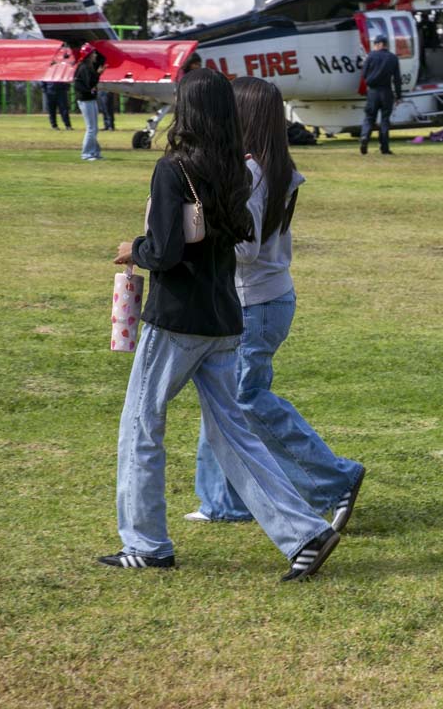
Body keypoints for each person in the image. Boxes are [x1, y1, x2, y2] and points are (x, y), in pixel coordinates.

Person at [105, 68, 340, 581]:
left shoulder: (174, 169)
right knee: (233, 435)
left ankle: (145, 543)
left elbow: (165, 252)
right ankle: (305, 532)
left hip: (178, 319)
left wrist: (134, 249)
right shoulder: (240, 169)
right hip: (226, 316)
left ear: (186, 109)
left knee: (141, 425)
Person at [186, 75, 366, 531]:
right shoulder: (273, 166)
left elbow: (245, 249)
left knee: (245, 399)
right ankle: (222, 501)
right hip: (265, 299)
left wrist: (195, 233)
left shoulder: (250, 173)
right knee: (224, 398)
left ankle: (334, 479)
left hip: (254, 304)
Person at [359, 34, 402, 155]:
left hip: (373, 91)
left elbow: (364, 74)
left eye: (375, 44)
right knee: (385, 119)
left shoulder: (371, 56)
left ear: (380, 44)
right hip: (386, 92)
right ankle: (384, 147)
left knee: (369, 117)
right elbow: (397, 79)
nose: (374, 46)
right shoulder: (393, 58)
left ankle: (364, 137)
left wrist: (370, 81)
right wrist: (398, 95)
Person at [73, 43, 104, 160]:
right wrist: (98, 74)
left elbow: (102, 58)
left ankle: (95, 152)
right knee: (91, 128)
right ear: (89, 55)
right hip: (86, 100)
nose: (95, 55)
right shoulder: (84, 68)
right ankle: (86, 153)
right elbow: (90, 84)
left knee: (94, 128)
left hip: (89, 99)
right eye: (93, 53)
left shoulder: (86, 66)